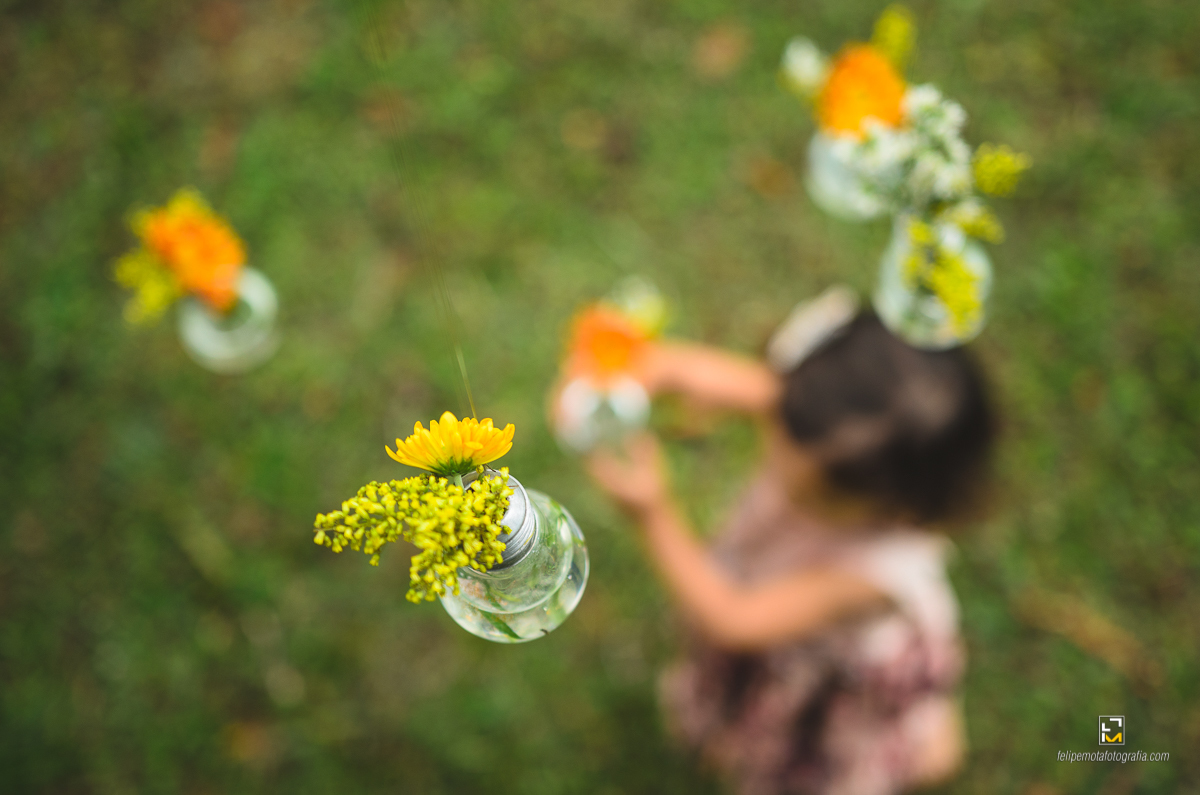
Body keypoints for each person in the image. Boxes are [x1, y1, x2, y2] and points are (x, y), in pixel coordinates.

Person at [584, 296, 994, 795]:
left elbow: (734, 619)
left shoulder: (872, 573)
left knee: (840, 744)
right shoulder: (837, 419)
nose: (777, 460)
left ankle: (921, 740)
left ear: (898, 508)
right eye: (785, 428)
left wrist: (652, 515)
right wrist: (658, 368)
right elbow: (764, 391)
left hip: (831, 661)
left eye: (810, 490)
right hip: (783, 596)